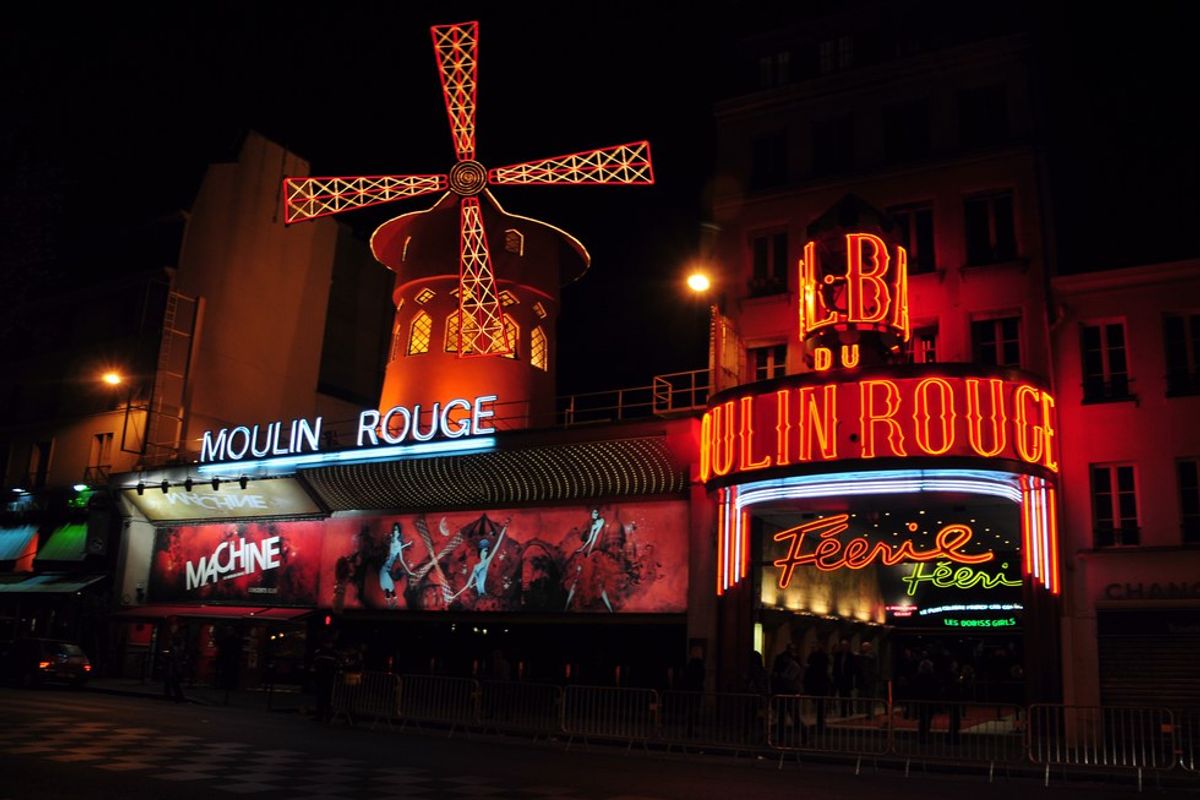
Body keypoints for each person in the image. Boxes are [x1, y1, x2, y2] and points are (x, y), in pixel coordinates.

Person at [380, 523, 413, 608]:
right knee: (387, 588)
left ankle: (393, 603)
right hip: (385, 568)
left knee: (389, 587)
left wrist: (409, 572)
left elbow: (401, 560)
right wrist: (406, 544)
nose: (395, 531)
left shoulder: (398, 544)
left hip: (387, 569)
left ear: (399, 532)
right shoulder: (392, 541)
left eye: (397, 530)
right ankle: (390, 604)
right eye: (394, 529)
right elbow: (395, 546)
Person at [803, 643, 832, 735]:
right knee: (821, 705)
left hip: (816, 685)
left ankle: (820, 722)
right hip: (821, 685)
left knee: (819, 704)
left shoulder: (813, 662)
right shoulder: (824, 660)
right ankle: (821, 722)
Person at [161, 619, 187, 703]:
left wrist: (169, 652)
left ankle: (176, 696)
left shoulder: (177, 637)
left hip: (174, 661)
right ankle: (173, 696)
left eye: (174, 626)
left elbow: (177, 649)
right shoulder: (174, 636)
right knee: (170, 679)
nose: (172, 628)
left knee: (172, 679)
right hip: (172, 661)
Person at [832, 639, 857, 716]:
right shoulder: (838, 655)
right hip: (839, 678)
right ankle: (843, 712)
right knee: (841, 695)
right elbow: (835, 666)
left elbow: (854, 667)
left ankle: (850, 710)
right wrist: (835, 676)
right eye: (842, 646)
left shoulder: (851, 656)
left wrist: (851, 674)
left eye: (845, 646)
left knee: (848, 695)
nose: (844, 647)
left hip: (848, 678)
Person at [858, 641, 880, 719]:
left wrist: (860, 655)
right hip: (863, 679)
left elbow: (870, 658)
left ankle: (870, 713)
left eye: (864, 647)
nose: (863, 648)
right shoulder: (862, 656)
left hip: (871, 679)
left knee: (871, 697)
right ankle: (866, 712)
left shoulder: (873, 654)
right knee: (865, 697)